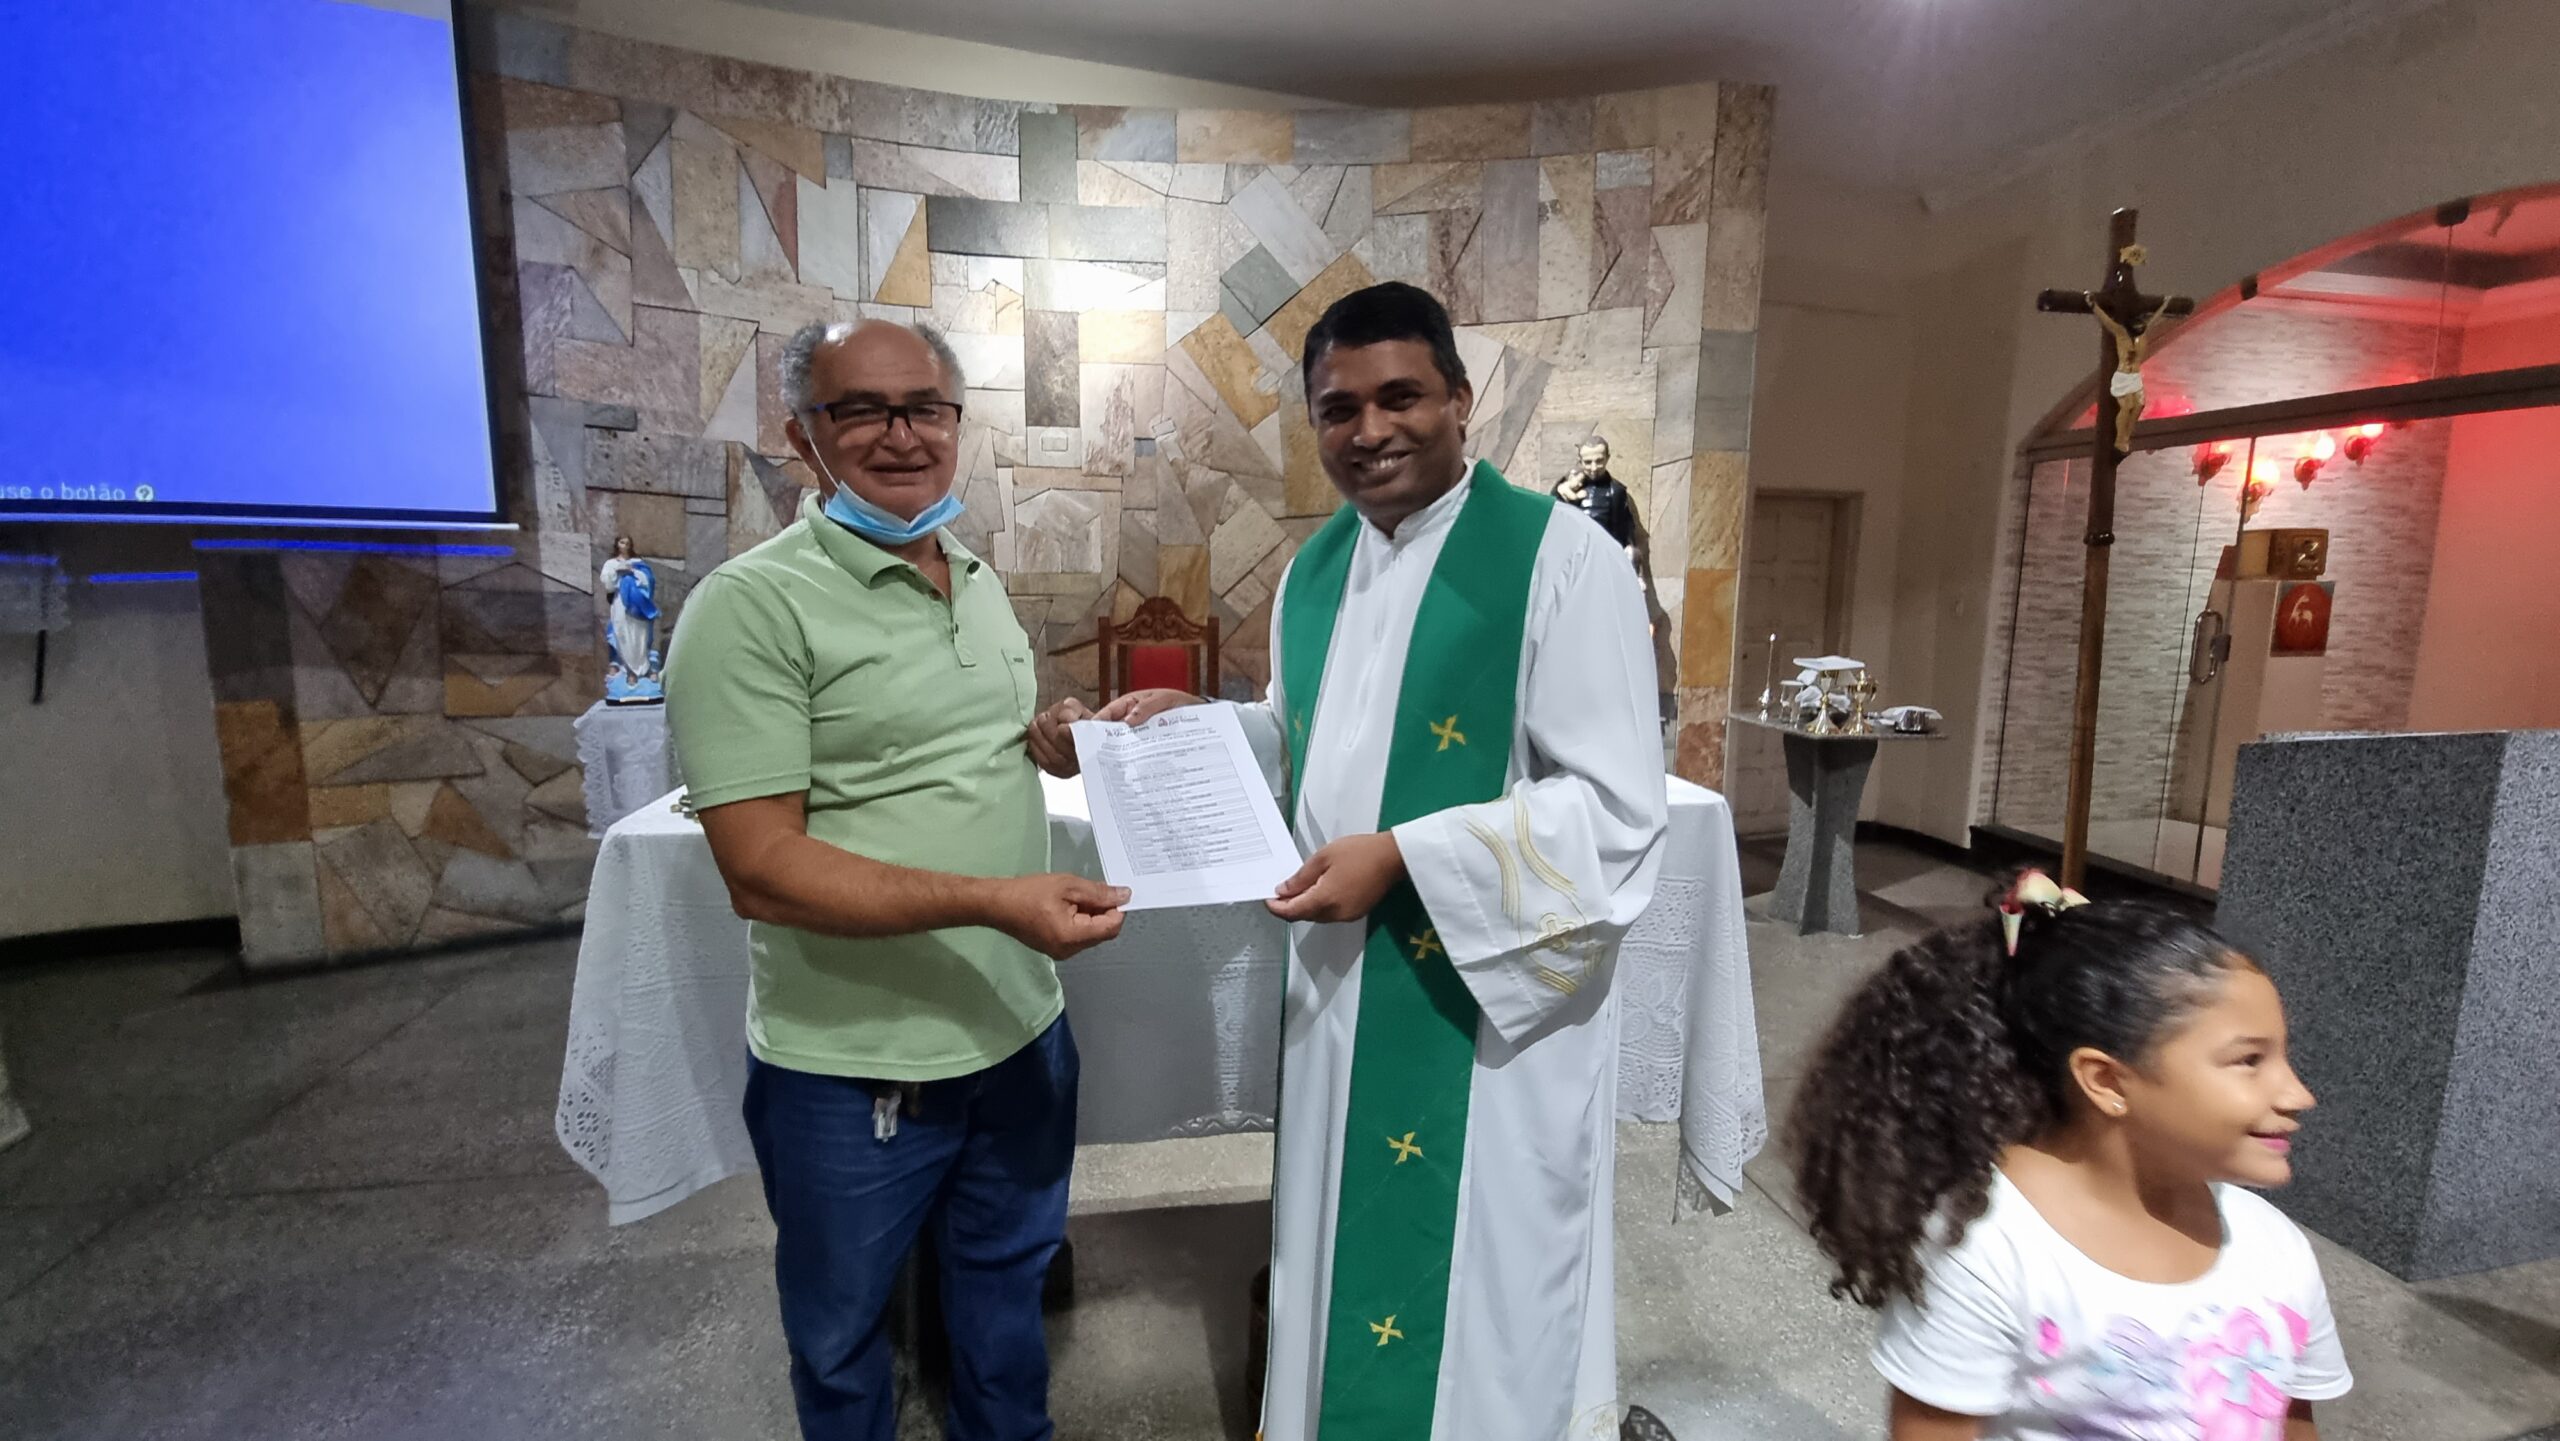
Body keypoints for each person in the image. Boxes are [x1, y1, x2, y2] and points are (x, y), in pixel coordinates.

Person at [1029, 282, 1667, 1441]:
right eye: (1337, 409)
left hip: (1482, 1016)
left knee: (1483, 1288)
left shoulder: (1562, 560)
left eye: (1400, 397)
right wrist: (1188, 730)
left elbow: (1615, 812)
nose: (1369, 430)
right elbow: (1307, 741)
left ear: (1460, 400)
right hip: (1341, 988)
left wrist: (1408, 855)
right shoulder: (1317, 570)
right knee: (1340, 1250)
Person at [665, 318, 1128, 1441]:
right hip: (855, 1066)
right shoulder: (749, 608)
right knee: (841, 1343)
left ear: (956, 422)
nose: (902, 434)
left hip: (1017, 1034)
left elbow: (947, 748)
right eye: (861, 410)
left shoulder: (971, 573)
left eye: (925, 407)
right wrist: (993, 903)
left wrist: (1047, 735)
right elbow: (763, 871)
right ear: (803, 436)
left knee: (1006, 1308)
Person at [1785, 872, 2352, 1441]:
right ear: (2107, 1081)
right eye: (2250, 1061)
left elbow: (2290, 1417)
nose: (2298, 1094)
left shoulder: (2276, 1251)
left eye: (2284, 1057)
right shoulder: (1988, 1255)